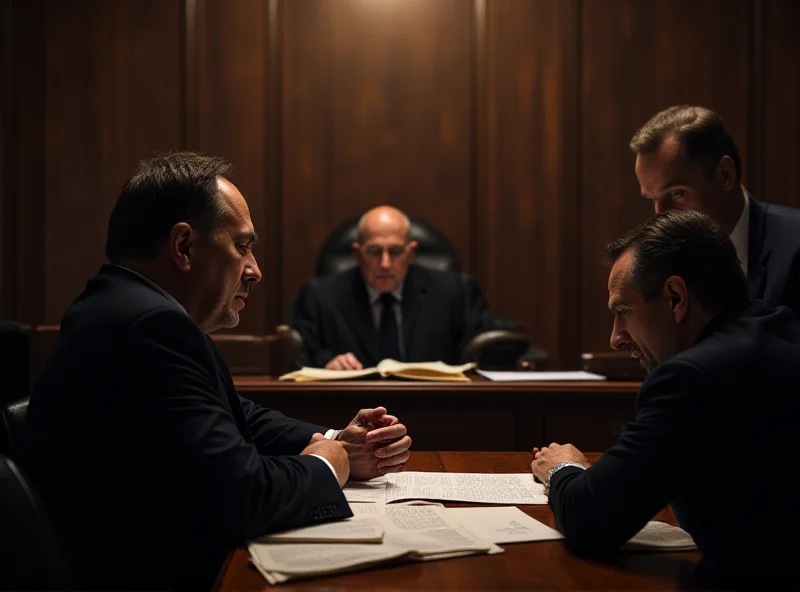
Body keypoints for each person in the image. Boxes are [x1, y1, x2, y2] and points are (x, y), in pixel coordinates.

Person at [22, 152, 412, 590]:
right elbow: (242, 497)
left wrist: (341, 442)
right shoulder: (150, 326)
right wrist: (328, 465)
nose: (255, 271)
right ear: (184, 247)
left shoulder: (122, 308)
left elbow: (237, 415)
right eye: (242, 246)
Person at [531, 209, 799, 589]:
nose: (616, 338)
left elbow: (590, 519)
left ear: (676, 297)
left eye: (623, 312)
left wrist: (563, 467)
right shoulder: (783, 327)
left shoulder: (691, 379)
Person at [630, 104, 800, 315]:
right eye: (652, 199)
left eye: (677, 194)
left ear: (725, 175)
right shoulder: (670, 263)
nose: (661, 215)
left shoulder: (794, 246)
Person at [291, 205, 504, 369]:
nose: (385, 264)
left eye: (395, 251)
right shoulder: (319, 295)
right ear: (357, 254)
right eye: (374, 252)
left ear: (410, 253)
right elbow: (296, 351)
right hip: (348, 410)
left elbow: (494, 339)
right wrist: (328, 361)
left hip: (435, 407)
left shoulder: (455, 292)